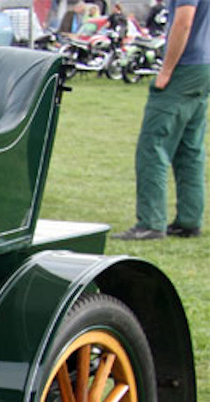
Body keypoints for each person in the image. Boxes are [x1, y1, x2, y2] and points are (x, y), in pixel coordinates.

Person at [114, 0, 210, 240]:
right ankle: (189, 220)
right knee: (190, 148)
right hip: (203, 68)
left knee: (153, 146)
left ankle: (151, 222)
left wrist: (166, 69)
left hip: (184, 68)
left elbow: (184, 21)